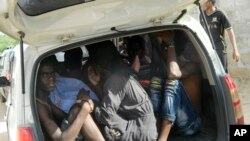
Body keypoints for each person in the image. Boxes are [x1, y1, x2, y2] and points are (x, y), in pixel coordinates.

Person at [85, 40, 158, 141]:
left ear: (98, 65)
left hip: (139, 132)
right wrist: (96, 85)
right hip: (145, 129)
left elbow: (105, 117)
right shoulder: (124, 72)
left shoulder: (114, 80)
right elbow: (111, 103)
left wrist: (89, 101)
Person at [36, 56, 104, 141]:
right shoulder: (39, 107)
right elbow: (61, 140)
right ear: (36, 78)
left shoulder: (47, 100)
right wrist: (85, 109)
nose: (51, 78)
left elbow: (65, 116)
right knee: (81, 111)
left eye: (52, 73)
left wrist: (81, 99)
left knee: (77, 108)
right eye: (45, 74)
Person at [149, 31, 201, 141]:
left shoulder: (193, 66)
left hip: (190, 124)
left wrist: (170, 43)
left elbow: (173, 74)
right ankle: (156, 130)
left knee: (172, 82)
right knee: (156, 81)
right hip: (174, 125)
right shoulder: (175, 62)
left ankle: (162, 138)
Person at [200, 0, 240, 72]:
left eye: (203, 2)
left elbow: (230, 31)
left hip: (220, 48)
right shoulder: (202, 15)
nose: (201, 4)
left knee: (223, 72)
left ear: (209, 2)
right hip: (208, 49)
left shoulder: (220, 14)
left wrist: (235, 49)